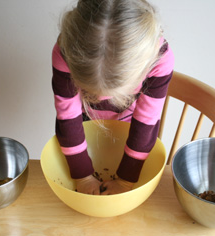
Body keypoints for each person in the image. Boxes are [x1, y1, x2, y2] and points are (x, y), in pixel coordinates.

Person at [51, 0, 174, 195]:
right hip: (83, 128)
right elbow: (67, 117)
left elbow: (146, 122)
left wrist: (125, 180)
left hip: (133, 131)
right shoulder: (66, 50)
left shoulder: (158, 58)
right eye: (91, 91)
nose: (100, 97)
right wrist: (82, 176)